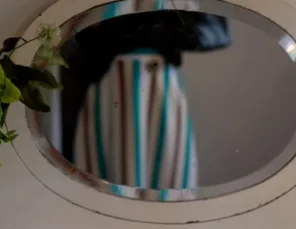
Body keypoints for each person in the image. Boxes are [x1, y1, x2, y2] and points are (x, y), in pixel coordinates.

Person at [56, 1, 231, 195]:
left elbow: (215, 30)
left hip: (158, 82)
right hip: (105, 83)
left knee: (165, 176)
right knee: (105, 180)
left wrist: (139, 27)